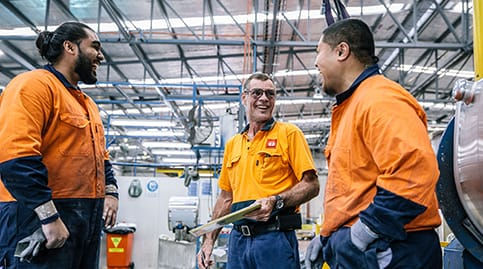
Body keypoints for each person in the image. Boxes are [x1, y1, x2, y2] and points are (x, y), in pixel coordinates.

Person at [305, 18, 442, 269]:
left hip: (391, 250)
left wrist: (362, 234)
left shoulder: (379, 99)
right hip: (368, 249)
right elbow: (352, 188)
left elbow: (415, 171)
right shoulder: (352, 107)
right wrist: (326, 237)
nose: (315, 63)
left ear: (341, 51)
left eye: (318, 52)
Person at [0, 22, 119, 268]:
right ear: (70, 47)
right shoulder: (33, 86)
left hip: (84, 218)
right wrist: (48, 216)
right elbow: (14, 158)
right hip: (35, 216)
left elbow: (100, 156)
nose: (101, 56)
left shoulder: (86, 104)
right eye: (94, 47)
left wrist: (111, 191)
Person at [197, 72, 320, 269]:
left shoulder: (289, 134)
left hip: (274, 240)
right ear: (244, 97)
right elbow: (225, 198)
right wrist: (209, 239)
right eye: (257, 93)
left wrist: (277, 200)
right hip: (238, 242)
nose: (264, 98)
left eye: (270, 94)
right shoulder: (233, 145)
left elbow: (312, 185)